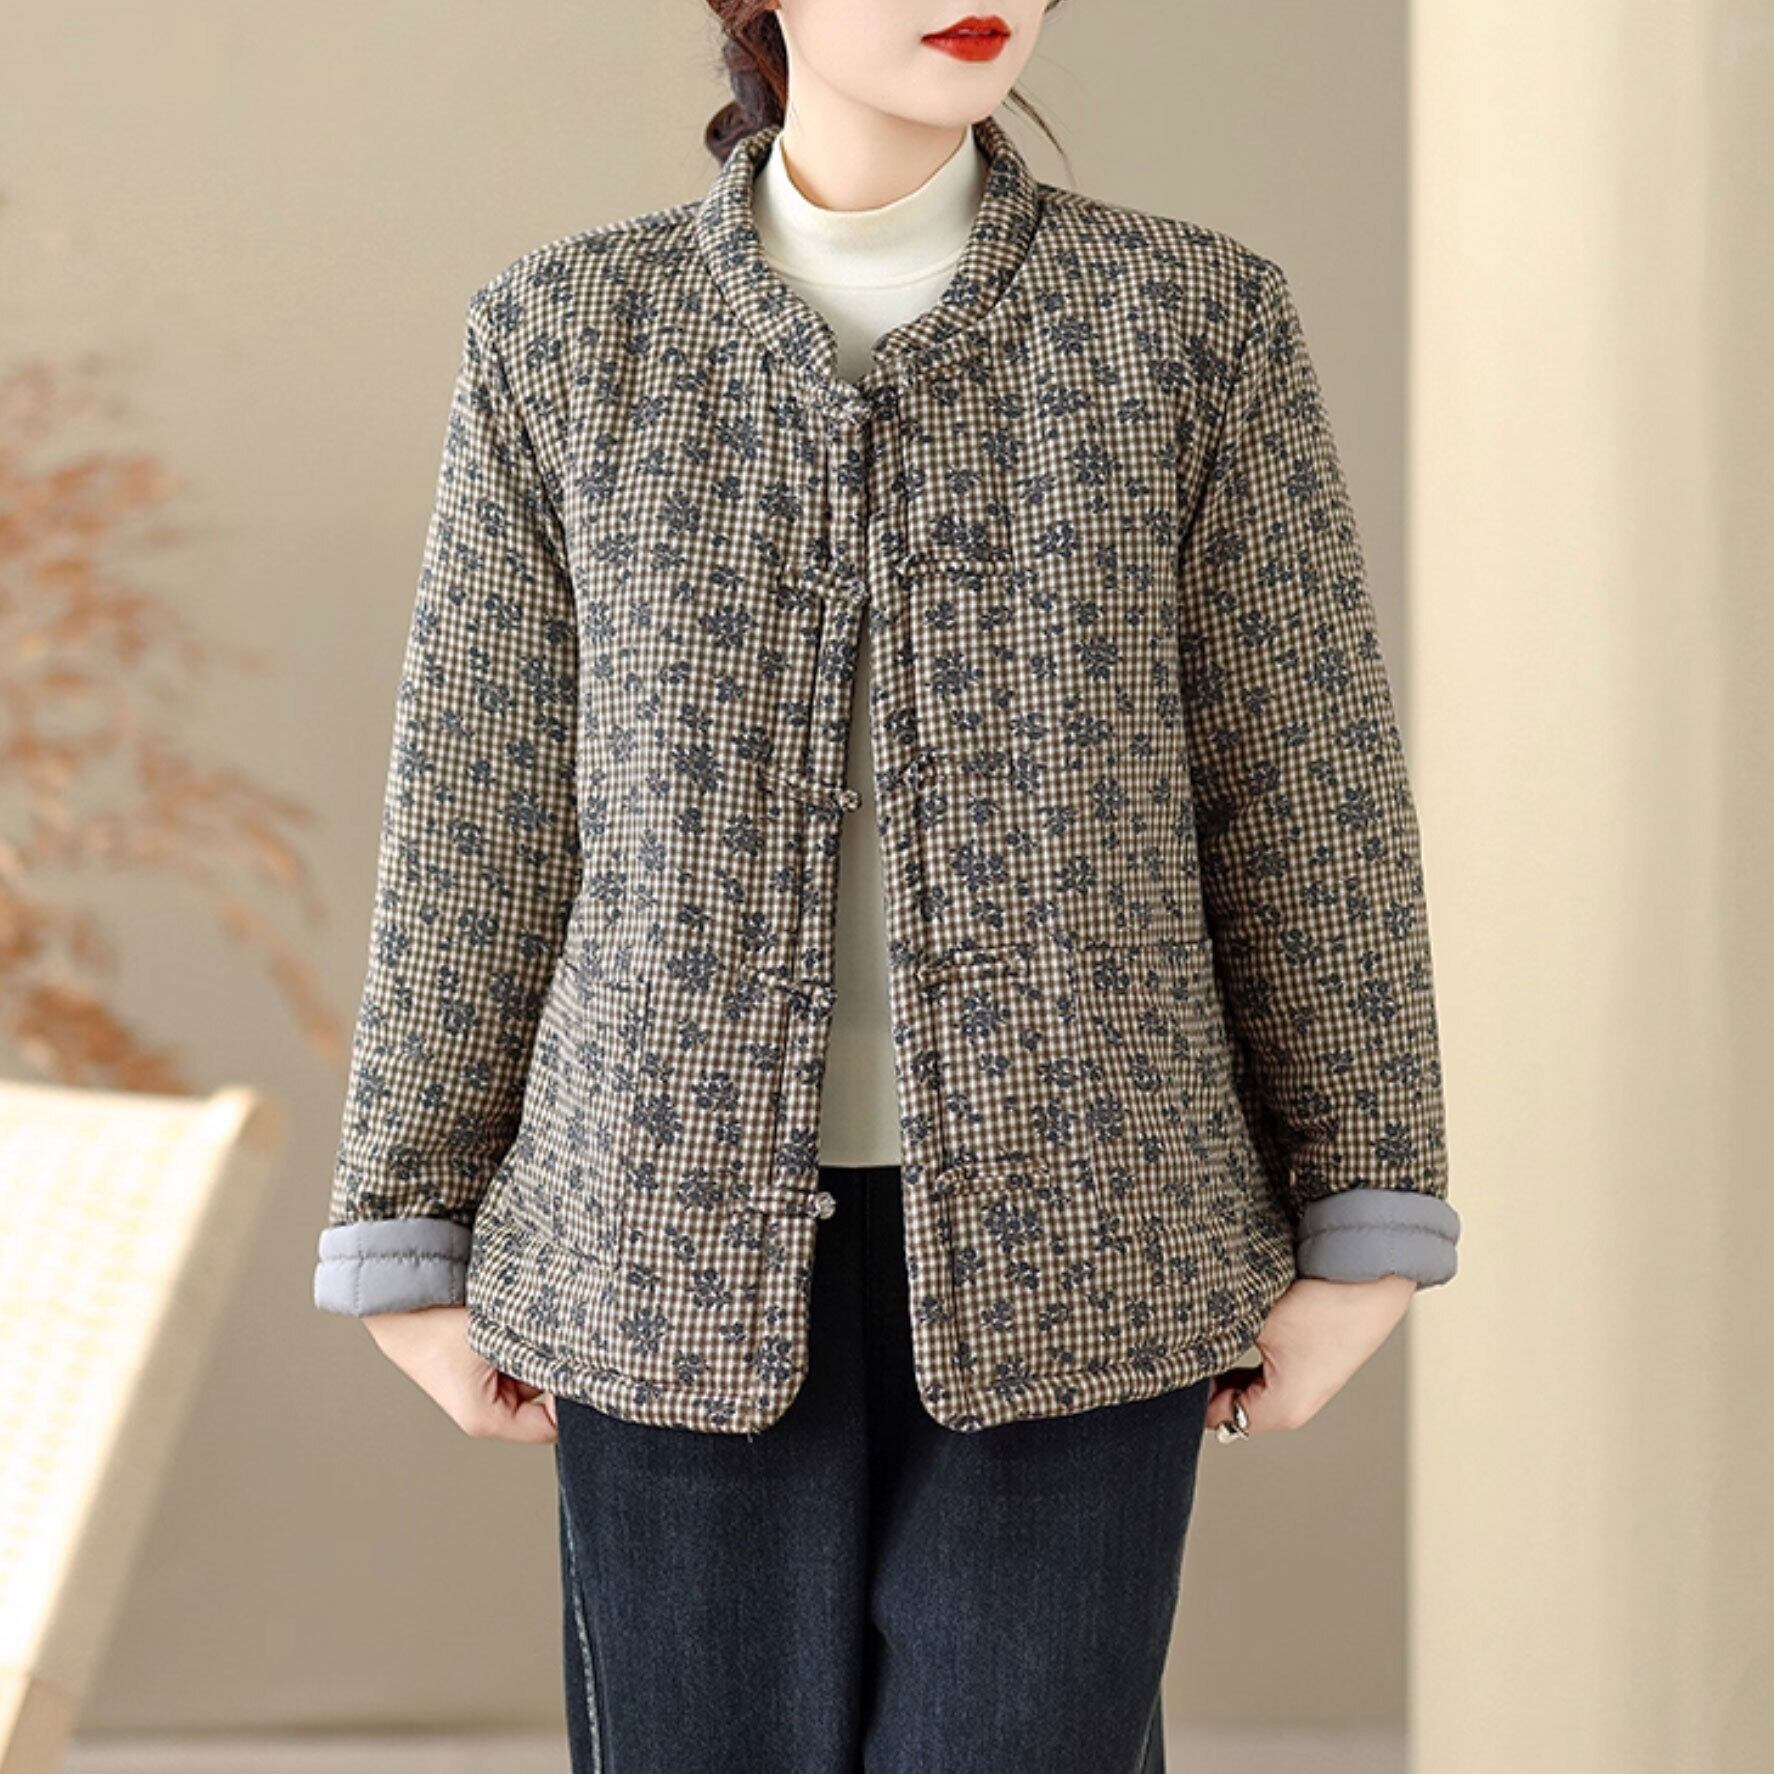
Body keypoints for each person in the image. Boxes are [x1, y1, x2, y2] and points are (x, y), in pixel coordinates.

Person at [313, 2, 1462, 1767]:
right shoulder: (564, 333)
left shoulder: (1190, 320)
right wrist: (407, 1218)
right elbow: (481, 805)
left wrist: (1368, 1210)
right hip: (656, 1238)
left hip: (1093, 1229)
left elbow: (1304, 782)